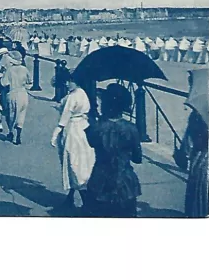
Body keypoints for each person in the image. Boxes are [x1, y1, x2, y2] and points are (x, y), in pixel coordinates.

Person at [85, 84, 143, 217]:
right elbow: (137, 158)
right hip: (125, 183)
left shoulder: (97, 128)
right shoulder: (131, 128)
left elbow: (91, 142)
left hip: (100, 181)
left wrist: (96, 119)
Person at [51, 72, 96, 209]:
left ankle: (85, 200)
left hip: (72, 129)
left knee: (72, 162)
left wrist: (57, 131)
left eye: (69, 81)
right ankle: (71, 196)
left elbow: (66, 113)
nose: (66, 84)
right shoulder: (82, 93)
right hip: (83, 127)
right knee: (80, 161)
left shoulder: (73, 96)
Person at [176, 69, 209, 217]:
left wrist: (180, 154)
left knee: (199, 202)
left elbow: (187, 147)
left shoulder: (197, 114)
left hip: (202, 161)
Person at [0, 50, 31, 145]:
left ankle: (11, 132)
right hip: (23, 93)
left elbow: (4, 83)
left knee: (11, 115)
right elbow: (29, 82)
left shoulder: (9, 70)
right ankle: (18, 135)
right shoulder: (24, 69)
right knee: (21, 114)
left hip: (12, 92)